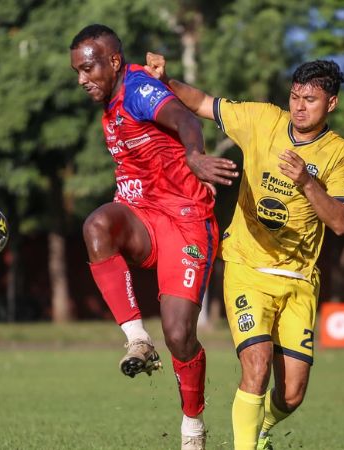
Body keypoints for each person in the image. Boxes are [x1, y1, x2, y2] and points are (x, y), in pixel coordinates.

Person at [145, 53, 344, 450]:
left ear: (331, 104)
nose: (299, 106)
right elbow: (203, 103)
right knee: (256, 366)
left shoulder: (340, 153)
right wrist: (166, 80)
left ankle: (260, 430)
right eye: (295, 96)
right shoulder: (263, 119)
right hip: (246, 266)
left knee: (291, 395)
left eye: (310, 99)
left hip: (298, 280)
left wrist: (308, 183)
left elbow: (342, 222)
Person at [70, 24, 238, 450]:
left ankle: (193, 428)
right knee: (96, 225)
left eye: (87, 69)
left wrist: (195, 155)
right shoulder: (110, 99)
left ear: (112, 61)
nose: (81, 80)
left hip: (185, 220)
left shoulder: (138, 88)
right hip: (142, 217)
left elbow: (182, 117)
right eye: (76, 72)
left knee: (180, 335)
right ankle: (137, 340)